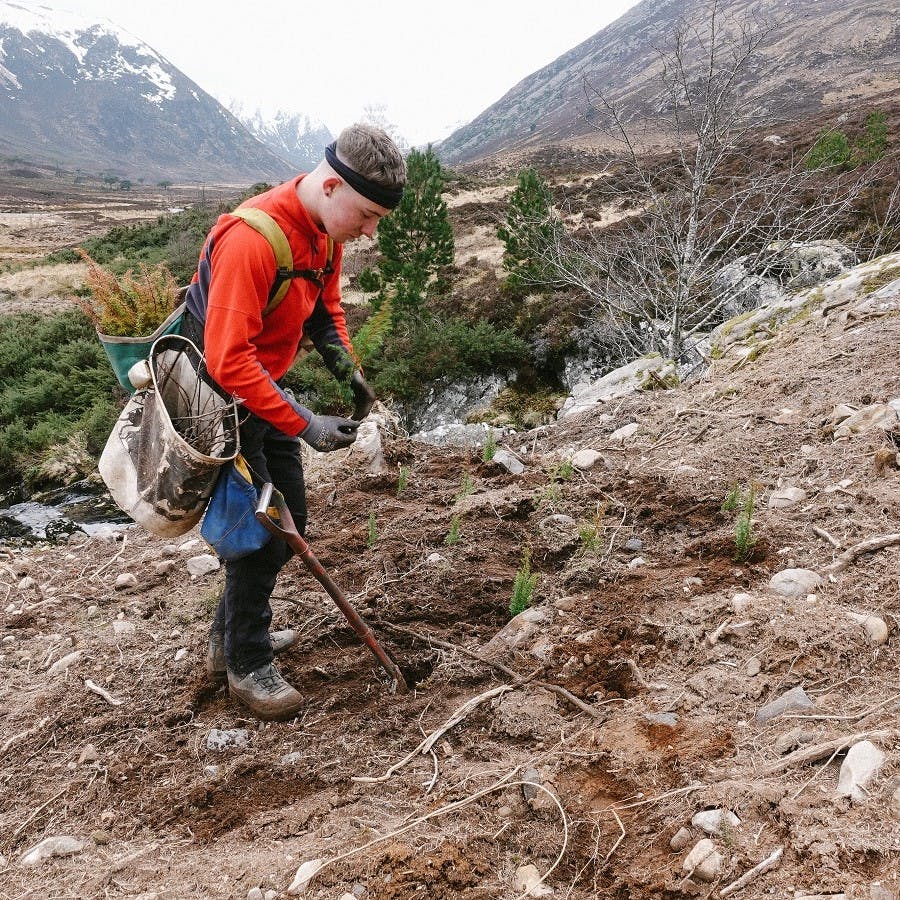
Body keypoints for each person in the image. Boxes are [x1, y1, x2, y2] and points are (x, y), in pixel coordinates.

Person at [181, 123, 406, 720]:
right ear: (330, 186)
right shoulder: (253, 241)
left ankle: (226, 643)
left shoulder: (324, 236)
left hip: (263, 394)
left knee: (288, 521)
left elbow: (324, 308)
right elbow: (228, 361)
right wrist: (305, 422)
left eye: (377, 219)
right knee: (263, 530)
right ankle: (246, 665)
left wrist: (348, 371)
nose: (368, 232)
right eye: (365, 216)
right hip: (223, 403)